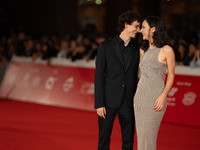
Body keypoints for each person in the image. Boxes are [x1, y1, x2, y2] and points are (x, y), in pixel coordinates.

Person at [94, 11, 141, 150]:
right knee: (103, 139)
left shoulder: (137, 49)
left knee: (128, 141)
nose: (138, 30)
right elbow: (98, 76)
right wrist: (99, 104)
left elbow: (139, 72)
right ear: (126, 25)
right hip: (108, 101)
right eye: (136, 26)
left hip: (129, 101)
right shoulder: (105, 47)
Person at [134, 16, 175, 150]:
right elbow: (140, 74)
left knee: (149, 137)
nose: (141, 30)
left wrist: (163, 96)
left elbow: (171, 75)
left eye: (144, 27)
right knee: (141, 137)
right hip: (140, 98)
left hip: (155, 99)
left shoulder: (167, 50)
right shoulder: (143, 50)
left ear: (153, 29)